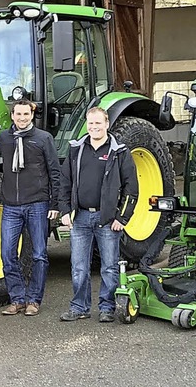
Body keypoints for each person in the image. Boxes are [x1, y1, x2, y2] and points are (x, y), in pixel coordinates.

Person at [0, 99, 61, 317]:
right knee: (7, 254)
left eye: (26, 114)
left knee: (39, 254)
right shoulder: (5, 138)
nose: (22, 118)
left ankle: (34, 300)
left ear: (31, 116)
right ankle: (17, 299)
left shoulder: (44, 139)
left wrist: (55, 204)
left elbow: (54, 172)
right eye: (18, 115)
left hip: (37, 204)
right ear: (12, 116)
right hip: (11, 206)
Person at [59, 107, 138, 323]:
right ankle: (79, 307)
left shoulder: (119, 152)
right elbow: (64, 182)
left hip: (107, 219)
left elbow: (132, 187)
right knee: (78, 267)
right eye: (91, 123)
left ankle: (107, 308)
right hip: (81, 218)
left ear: (107, 124)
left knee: (109, 267)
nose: (94, 127)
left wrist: (122, 218)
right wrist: (65, 211)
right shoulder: (76, 149)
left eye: (98, 123)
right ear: (86, 124)